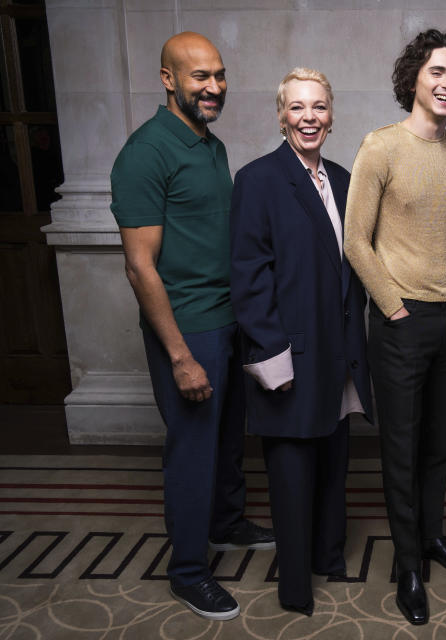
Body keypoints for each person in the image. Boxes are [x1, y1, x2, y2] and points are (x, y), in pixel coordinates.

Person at [109, 31, 274, 621]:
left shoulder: (210, 145)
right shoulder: (144, 152)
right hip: (189, 330)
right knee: (192, 452)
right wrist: (180, 354)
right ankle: (186, 571)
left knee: (230, 440)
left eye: (219, 75)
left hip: (229, 320)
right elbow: (139, 266)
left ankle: (227, 524)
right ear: (168, 79)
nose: (213, 87)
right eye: (199, 76)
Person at [343, 28, 446, 626]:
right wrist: (393, 307)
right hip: (400, 322)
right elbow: (355, 240)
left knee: (437, 446)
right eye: (437, 72)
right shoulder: (380, 147)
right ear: (414, 79)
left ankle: (432, 539)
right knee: (400, 449)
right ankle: (407, 566)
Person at [229, 68, 373, 617]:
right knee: (290, 475)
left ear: (331, 116)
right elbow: (248, 276)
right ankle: (295, 589)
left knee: (334, 463)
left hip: (337, 352)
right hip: (289, 354)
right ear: (281, 115)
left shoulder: (341, 177)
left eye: (318, 107)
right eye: (297, 107)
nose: (308, 117)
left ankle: (328, 557)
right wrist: (272, 356)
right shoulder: (258, 179)